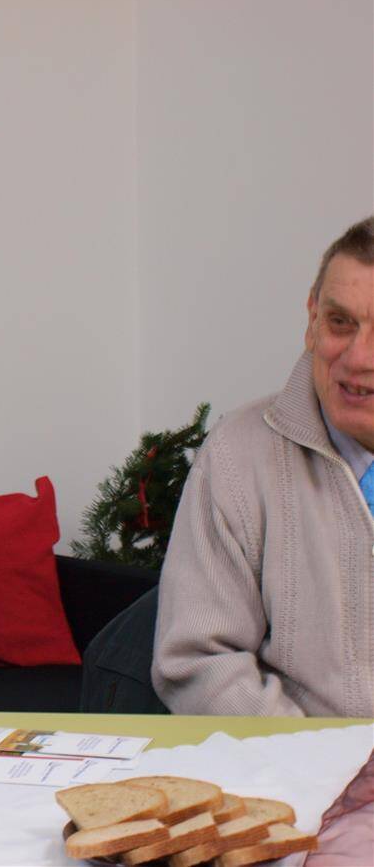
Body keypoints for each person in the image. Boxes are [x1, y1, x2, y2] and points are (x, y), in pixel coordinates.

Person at [152, 216, 374, 717]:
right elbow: (200, 663)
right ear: (312, 319)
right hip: (300, 762)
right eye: (340, 322)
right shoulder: (237, 454)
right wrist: (319, 758)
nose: (358, 357)